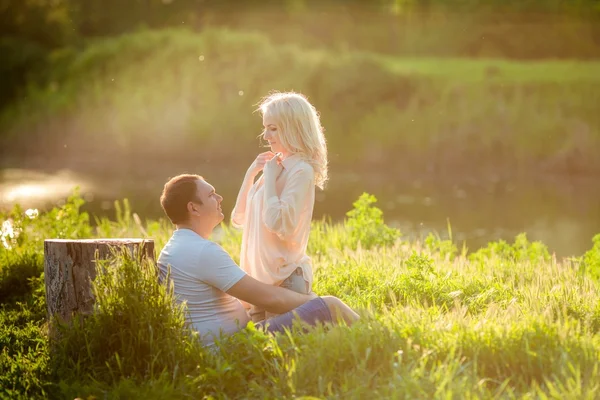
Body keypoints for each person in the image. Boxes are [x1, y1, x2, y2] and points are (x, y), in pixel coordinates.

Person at [157, 174, 358, 346]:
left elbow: (238, 298)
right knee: (331, 306)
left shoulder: (175, 247)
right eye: (211, 195)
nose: (219, 198)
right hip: (233, 347)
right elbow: (271, 299)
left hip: (218, 344)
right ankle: (379, 342)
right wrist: (314, 301)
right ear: (194, 208)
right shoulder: (202, 251)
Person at [231, 92, 328, 322]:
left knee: (282, 352)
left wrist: (271, 178)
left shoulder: (300, 170)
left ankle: (330, 314)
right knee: (260, 352)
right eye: (265, 128)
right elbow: (238, 219)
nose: (266, 136)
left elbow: (281, 224)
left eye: (273, 128)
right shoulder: (275, 167)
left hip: (285, 280)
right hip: (259, 282)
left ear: (293, 127)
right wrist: (250, 175)